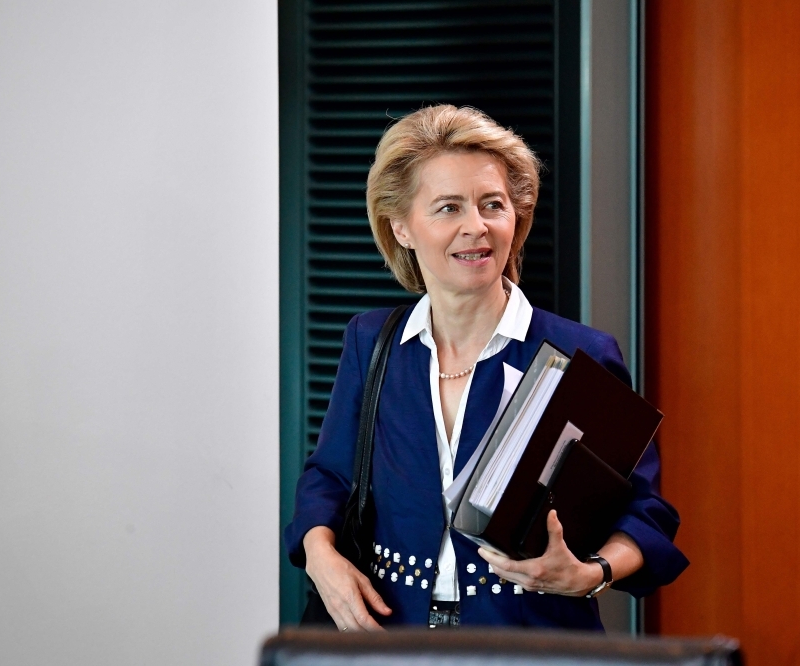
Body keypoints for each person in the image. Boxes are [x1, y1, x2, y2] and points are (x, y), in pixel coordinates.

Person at [283, 105, 688, 631]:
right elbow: (330, 477)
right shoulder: (370, 342)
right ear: (402, 226)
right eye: (448, 208)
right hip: (388, 636)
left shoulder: (581, 353)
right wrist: (321, 556)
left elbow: (645, 512)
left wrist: (593, 573)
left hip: (531, 639)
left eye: (491, 205)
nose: (476, 227)